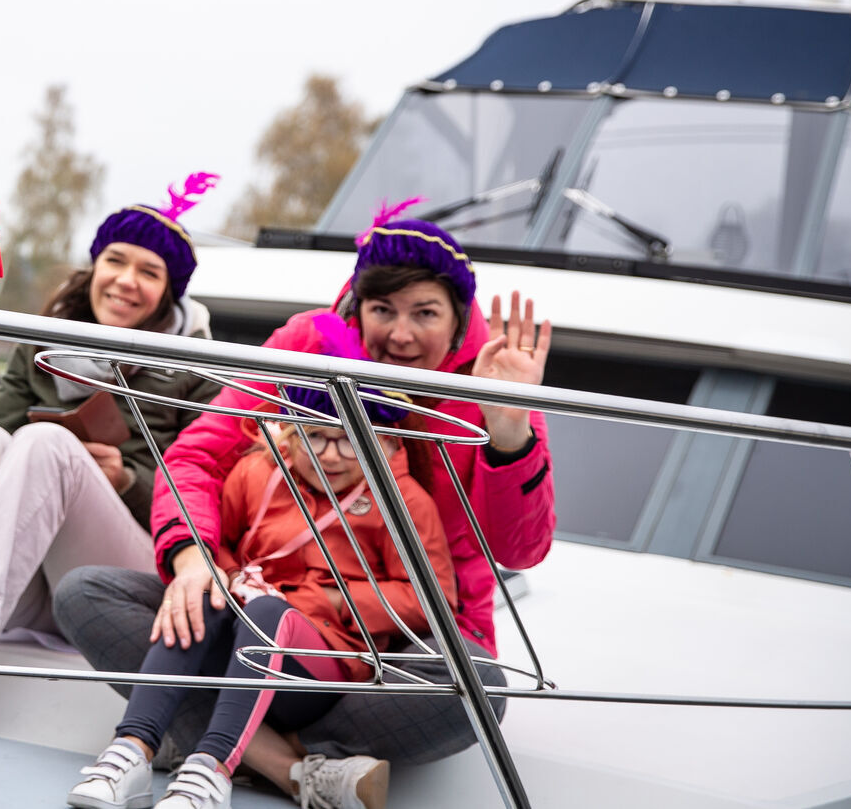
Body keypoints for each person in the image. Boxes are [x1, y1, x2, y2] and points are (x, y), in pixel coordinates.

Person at [55, 199, 556, 788]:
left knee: (476, 688)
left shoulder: (495, 385)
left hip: (384, 648)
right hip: (248, 614)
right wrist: (194, 561)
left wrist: (509, 432)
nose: (400, 333)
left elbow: (520, 551)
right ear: (357, 306)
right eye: (383, 309)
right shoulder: (306, 346)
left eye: (425, 313)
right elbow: (195, 457)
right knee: (86, 593)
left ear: (458, 316)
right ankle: (294, 768)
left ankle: (211, 736)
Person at [0, 176, 226, 734]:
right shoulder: (45, 341)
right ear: (95, 266)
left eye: (149, 273)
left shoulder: (195, 369)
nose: (126, 282)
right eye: (116, 262)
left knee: (46, 443)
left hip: (120, 582)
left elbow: (204, 493)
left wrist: (127, 477)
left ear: (170, 292)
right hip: (24, 574)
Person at [67, 364, 455, 809]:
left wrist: (327, 599)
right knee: (200, 592)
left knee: (269, 611)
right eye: (315, 435)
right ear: (290, 433)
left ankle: (211, 769)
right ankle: (132, 751)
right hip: (237, 629)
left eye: (348, 439)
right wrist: (228, 576)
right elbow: (224, 545)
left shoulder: (404, 500)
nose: (330, 455)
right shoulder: (256, 472)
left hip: (320, 662)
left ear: (382, 442)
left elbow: (433, 601)